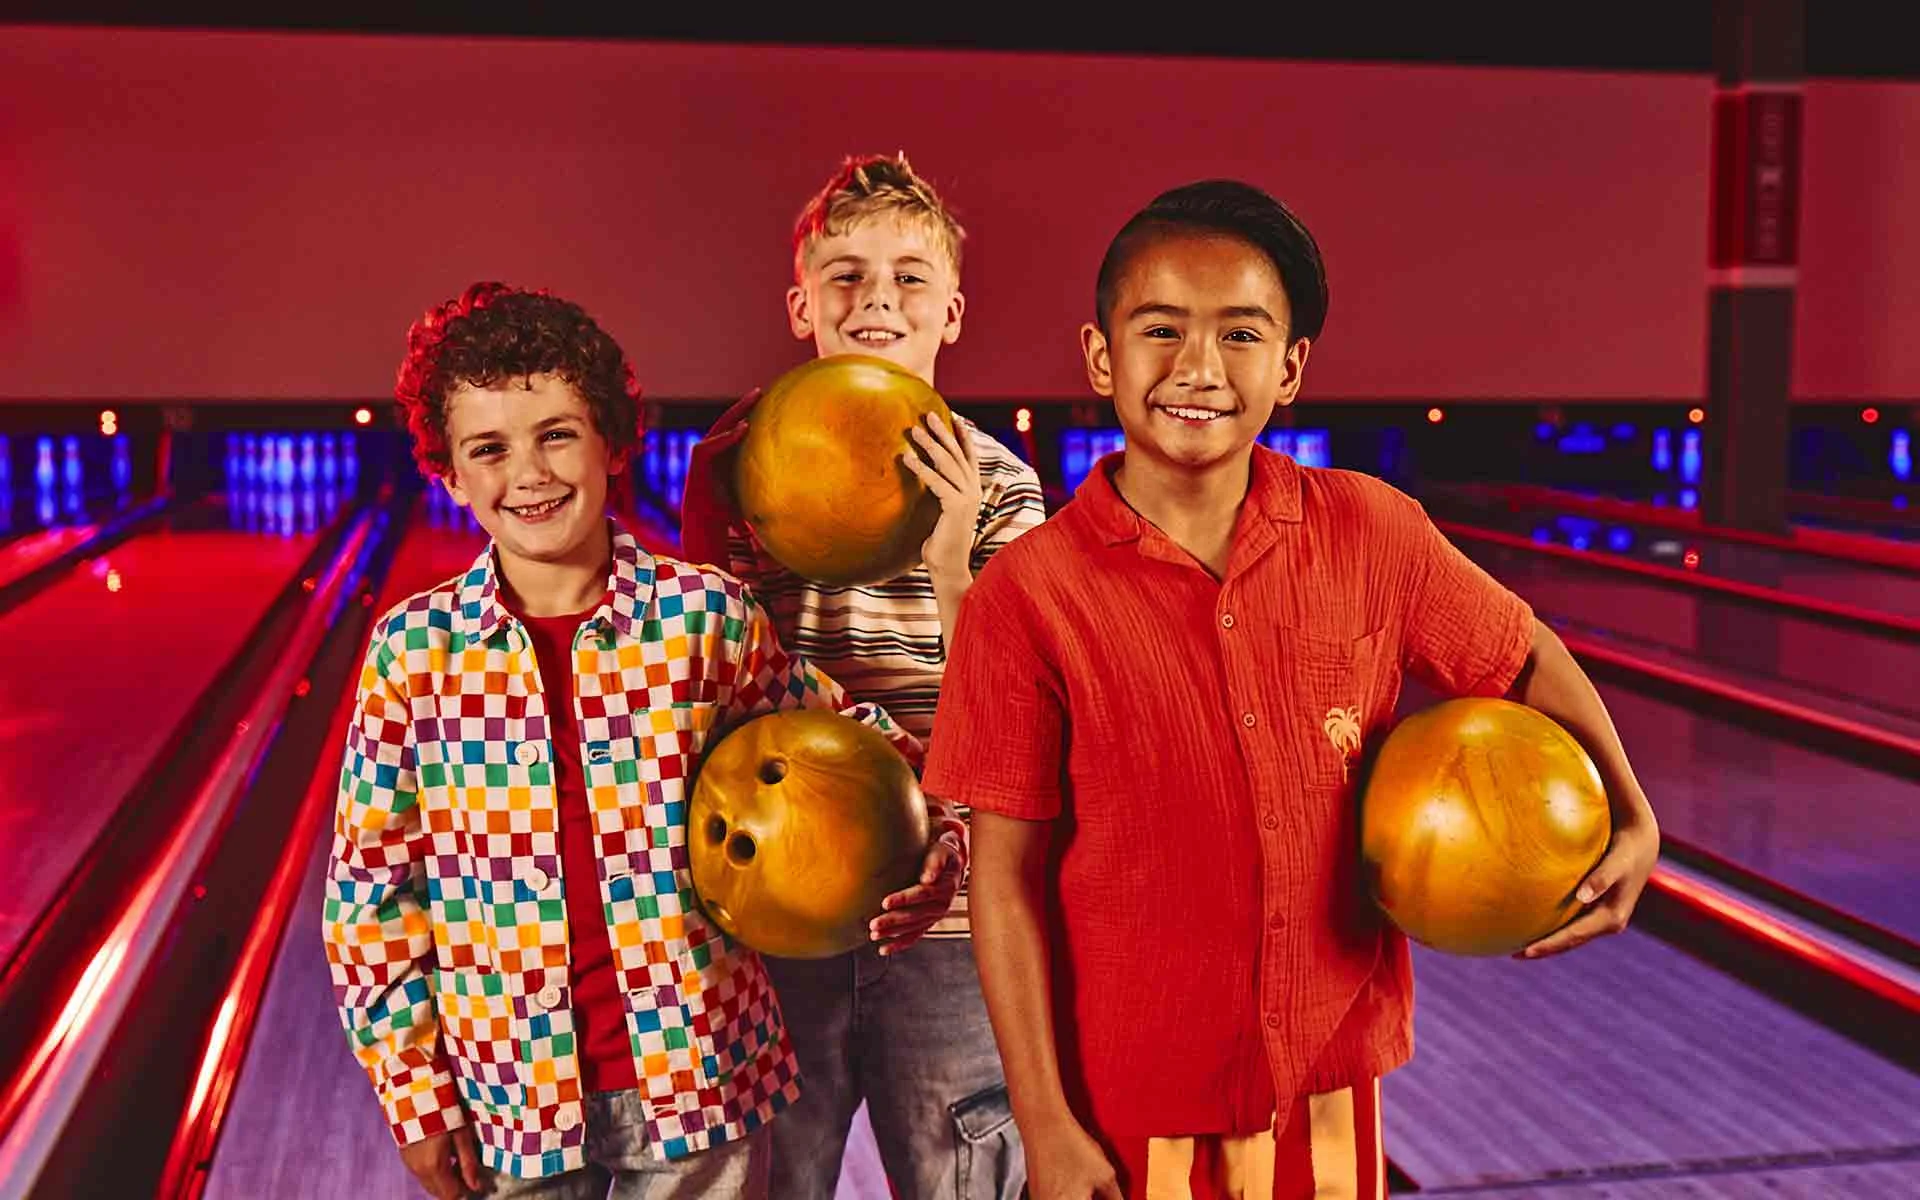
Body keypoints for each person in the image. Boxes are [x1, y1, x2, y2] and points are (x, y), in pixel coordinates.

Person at [922, 181, 1662, 1200]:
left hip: (1328, 1089)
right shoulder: (1026, 596)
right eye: (1161, 329)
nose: (1199, 367)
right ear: (1100, 356)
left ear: (1290, 369)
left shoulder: (1374, 532)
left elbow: (1520, 653)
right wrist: (1043, 1122)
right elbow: (1003, 881)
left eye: (1240, 334)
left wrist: (1634, 812)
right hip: (1128, 1102)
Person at [322, 282, 958, 1200]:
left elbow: (861, 744)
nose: (529, 473)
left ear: (614, 443)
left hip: (702, 1077)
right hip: (510, 1099)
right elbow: (369, 895)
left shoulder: (706, 619)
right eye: (489, 448)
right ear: (450, 474)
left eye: (557, 435)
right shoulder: (413, 652)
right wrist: (415, 1096)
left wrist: (934, 838)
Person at [679, 153, 1046, 1198]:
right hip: (777, 911)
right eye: (845, 274)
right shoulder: (745, 466)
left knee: (964, 1178)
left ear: (952, 313)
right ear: (802, 305)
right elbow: (711, 684)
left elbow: (1022, 717)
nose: (876, 297)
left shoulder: (1004, 482)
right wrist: (705, 524)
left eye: (908, 277)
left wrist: (951, 558)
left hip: (954, 926)